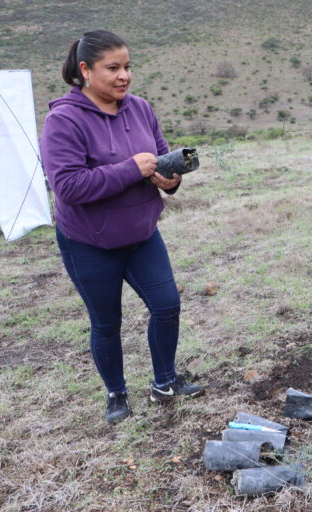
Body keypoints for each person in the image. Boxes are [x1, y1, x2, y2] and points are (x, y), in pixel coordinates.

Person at [40, 30, 205, 425]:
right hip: (89, 242)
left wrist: (170, 179)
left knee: (167, 306)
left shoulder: (141, 109)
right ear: (85, 70)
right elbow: (68, 187)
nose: (123, 76)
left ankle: (165, 382)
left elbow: (160, 158)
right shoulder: (63, 120)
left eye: (127, 67)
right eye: (112, 68)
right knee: (106, 322)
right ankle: (116, 394)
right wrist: (131, 168)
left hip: (142, 233)